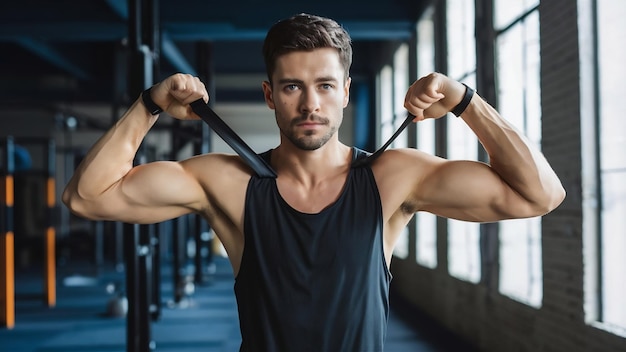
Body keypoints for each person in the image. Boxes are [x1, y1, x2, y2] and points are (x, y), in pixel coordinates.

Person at [63, 13, 565, 351]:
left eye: (325, 86)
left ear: (345, 92)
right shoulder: (226, 180)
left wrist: (464, 101)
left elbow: (538, 194)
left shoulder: (394, 176)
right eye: (292, 87)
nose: (310, 105)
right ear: (269, 94)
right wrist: (149, 105)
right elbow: (87, 198)